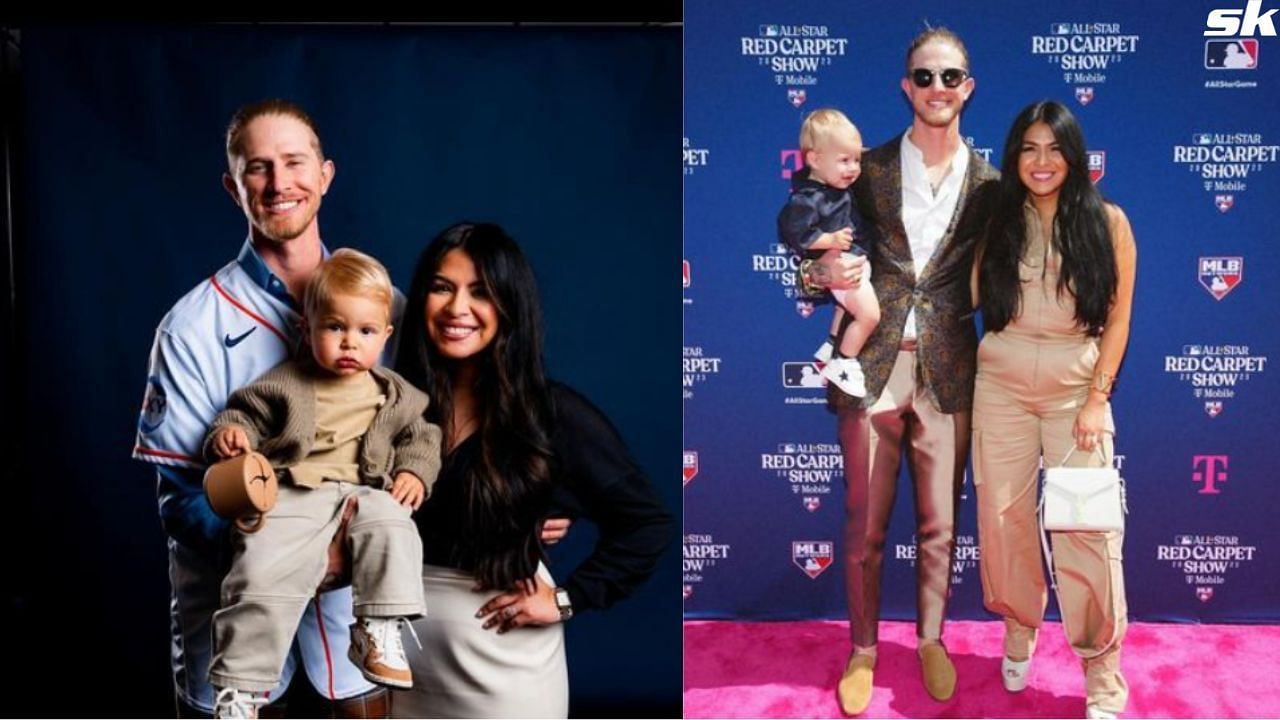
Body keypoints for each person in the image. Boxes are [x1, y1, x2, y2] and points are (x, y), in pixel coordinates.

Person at [133, 99, 390, 718]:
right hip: (231, 592)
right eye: (258, 168)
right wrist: (293, 555)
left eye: (295, 163)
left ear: (325, 176)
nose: (280, 184)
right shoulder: (192, 326)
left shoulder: (385, 305)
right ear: (233, 186)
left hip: (354, 594)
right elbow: (183, 499)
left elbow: (429, 438)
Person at [391, 222, 671, 718]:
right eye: (442, 287)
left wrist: (566, 600)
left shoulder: (551, 413)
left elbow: (647, 523)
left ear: (509, 306)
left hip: (502, 672)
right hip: (396, 664)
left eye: (481, 292)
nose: (458, 308)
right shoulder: (392, 402)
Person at [800, 27, 999, 715]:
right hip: (872, 369)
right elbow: (810, 244)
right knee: (865, 523)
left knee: (942, 523)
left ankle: (932, 640)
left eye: (950, 77)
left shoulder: (992, 184)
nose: (937, 89)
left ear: (968, 87)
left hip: (949, 372)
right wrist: (816, 272)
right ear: (905, 86)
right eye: (924, 76)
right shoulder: (866, 168)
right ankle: (862, 649)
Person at [202, 249, 443, 716]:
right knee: (259, 569)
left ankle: (379, 627)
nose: (349, 343)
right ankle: (241, 688)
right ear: (306, 329)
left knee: (395, 525)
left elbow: (423, 437)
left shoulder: (397, 393)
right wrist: (231, 435)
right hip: (296, 491)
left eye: (365, 332)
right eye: (335, 327)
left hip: (365, 490)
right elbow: (242, 415)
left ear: (385, 335)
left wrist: (415, 470)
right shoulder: (285, 382)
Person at [970, 100, 1136, 720]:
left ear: (1075, 155)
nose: (1042, 162)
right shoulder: (996, 220)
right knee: (1004, 522)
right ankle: (1019, 626)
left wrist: (1098, 398)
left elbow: (1117, 319)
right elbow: (963, 292)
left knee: (1086, 531)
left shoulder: (1109, 222)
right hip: (1002, 385)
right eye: (1029, 149)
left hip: (1074, 389)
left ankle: (1102, 670)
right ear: (1015, 156)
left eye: (1054, 148)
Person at [777, 108, 880, 396]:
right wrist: (826, 252)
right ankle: (844, 362)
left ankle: (832, 345)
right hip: (849, 266)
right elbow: (795, 235)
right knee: (867, 315)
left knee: (843, 308)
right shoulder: (810, 197)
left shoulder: (838, 185)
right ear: (814, 159)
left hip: (859, 261)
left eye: (857, 159)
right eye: (845, 160)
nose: (854, 168)